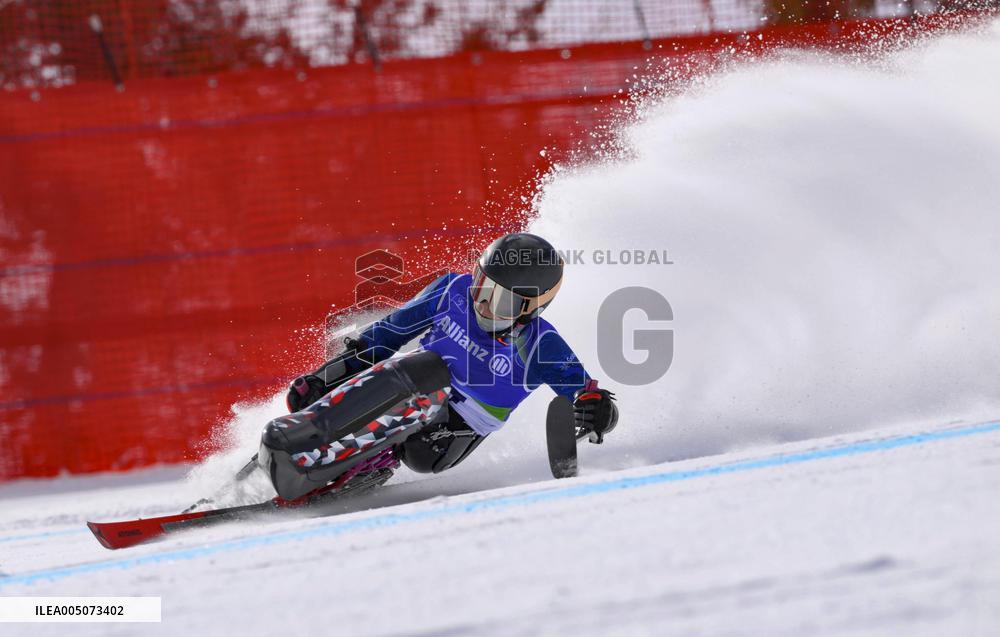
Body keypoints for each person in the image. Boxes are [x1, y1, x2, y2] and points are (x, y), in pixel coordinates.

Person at [260, 232, 618, 500]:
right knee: (409, 368)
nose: (485, 306)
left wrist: (595, 411)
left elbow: (588, 396)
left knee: (426, 369)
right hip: (399, 390)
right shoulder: (452, 291)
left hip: (446, 438)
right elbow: (388, 334)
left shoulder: (540, 343)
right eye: (482, 287)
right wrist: (330, 376)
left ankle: (315, 453)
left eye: (503, 302)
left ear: (532, 309)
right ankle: (341, 458)